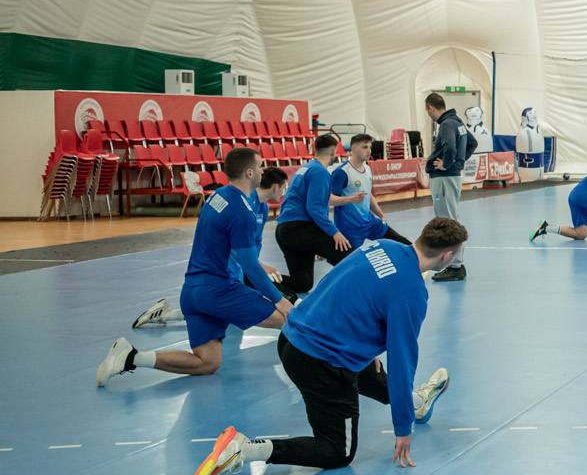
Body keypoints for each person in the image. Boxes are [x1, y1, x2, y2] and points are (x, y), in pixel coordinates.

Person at [188, 217, 463, 475]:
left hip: (293, 336)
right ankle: (244, 449)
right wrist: (402, 427)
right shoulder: (412, 293)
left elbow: (336, 284)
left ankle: (416, 402)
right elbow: (404, 362)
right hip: (320, 361)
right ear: (447, 255)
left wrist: (370, 347)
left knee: (368, 367)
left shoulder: (383, 246)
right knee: (337, 452)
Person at [98, 147, 292, 385]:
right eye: (260, 166)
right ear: (250, 172)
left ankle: (132, 357)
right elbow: (250, 265)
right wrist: (280, 300)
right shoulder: (242, 211)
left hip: (193, 291)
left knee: (208, 362)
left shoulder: (217, 196)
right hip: (220, 289)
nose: (264, 171)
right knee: (291, 319)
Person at [132, 165, 293, 329]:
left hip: (239, 266)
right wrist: (257, 266)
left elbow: (255, 241)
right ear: (275, 186)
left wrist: (253, 264)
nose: (285, 192)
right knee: (224, 310)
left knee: (223, 312)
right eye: (285, 187)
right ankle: (166, 315)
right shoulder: (242, 202)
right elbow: (232, 244)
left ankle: (165, 314)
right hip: (224, 264)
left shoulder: (263, 208)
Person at [274, 133, 351, 294]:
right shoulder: (320, 172)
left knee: (302, 283)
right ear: (332, 152)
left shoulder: (305, 168)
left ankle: (254, 281)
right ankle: (348, 294)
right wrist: (333, 232)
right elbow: (314, 208)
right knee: (347, 254)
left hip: (284, 230)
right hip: (299, 227)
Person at [330, 133, 410, 249]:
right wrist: (351, 199)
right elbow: (330, 199)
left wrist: (381, 215)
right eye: (365, 147)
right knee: (354, 263)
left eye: (370, 147)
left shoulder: (367, 168)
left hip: (369, 223)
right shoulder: (342, 172)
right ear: (353, 148)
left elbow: (368, 195)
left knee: (403, 244)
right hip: (350, 229)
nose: (369, 151)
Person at [423, 93, 469, 282]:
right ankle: (454, 263)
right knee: (451, 216)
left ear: (430, 108)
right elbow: (471, 143)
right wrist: (459, 162)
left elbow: (450, 146)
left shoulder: (447, 124)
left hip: (444, 177)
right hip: (451, 176)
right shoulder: (458, 122)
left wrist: (447, 164)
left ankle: (456, 265)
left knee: (447, 220)